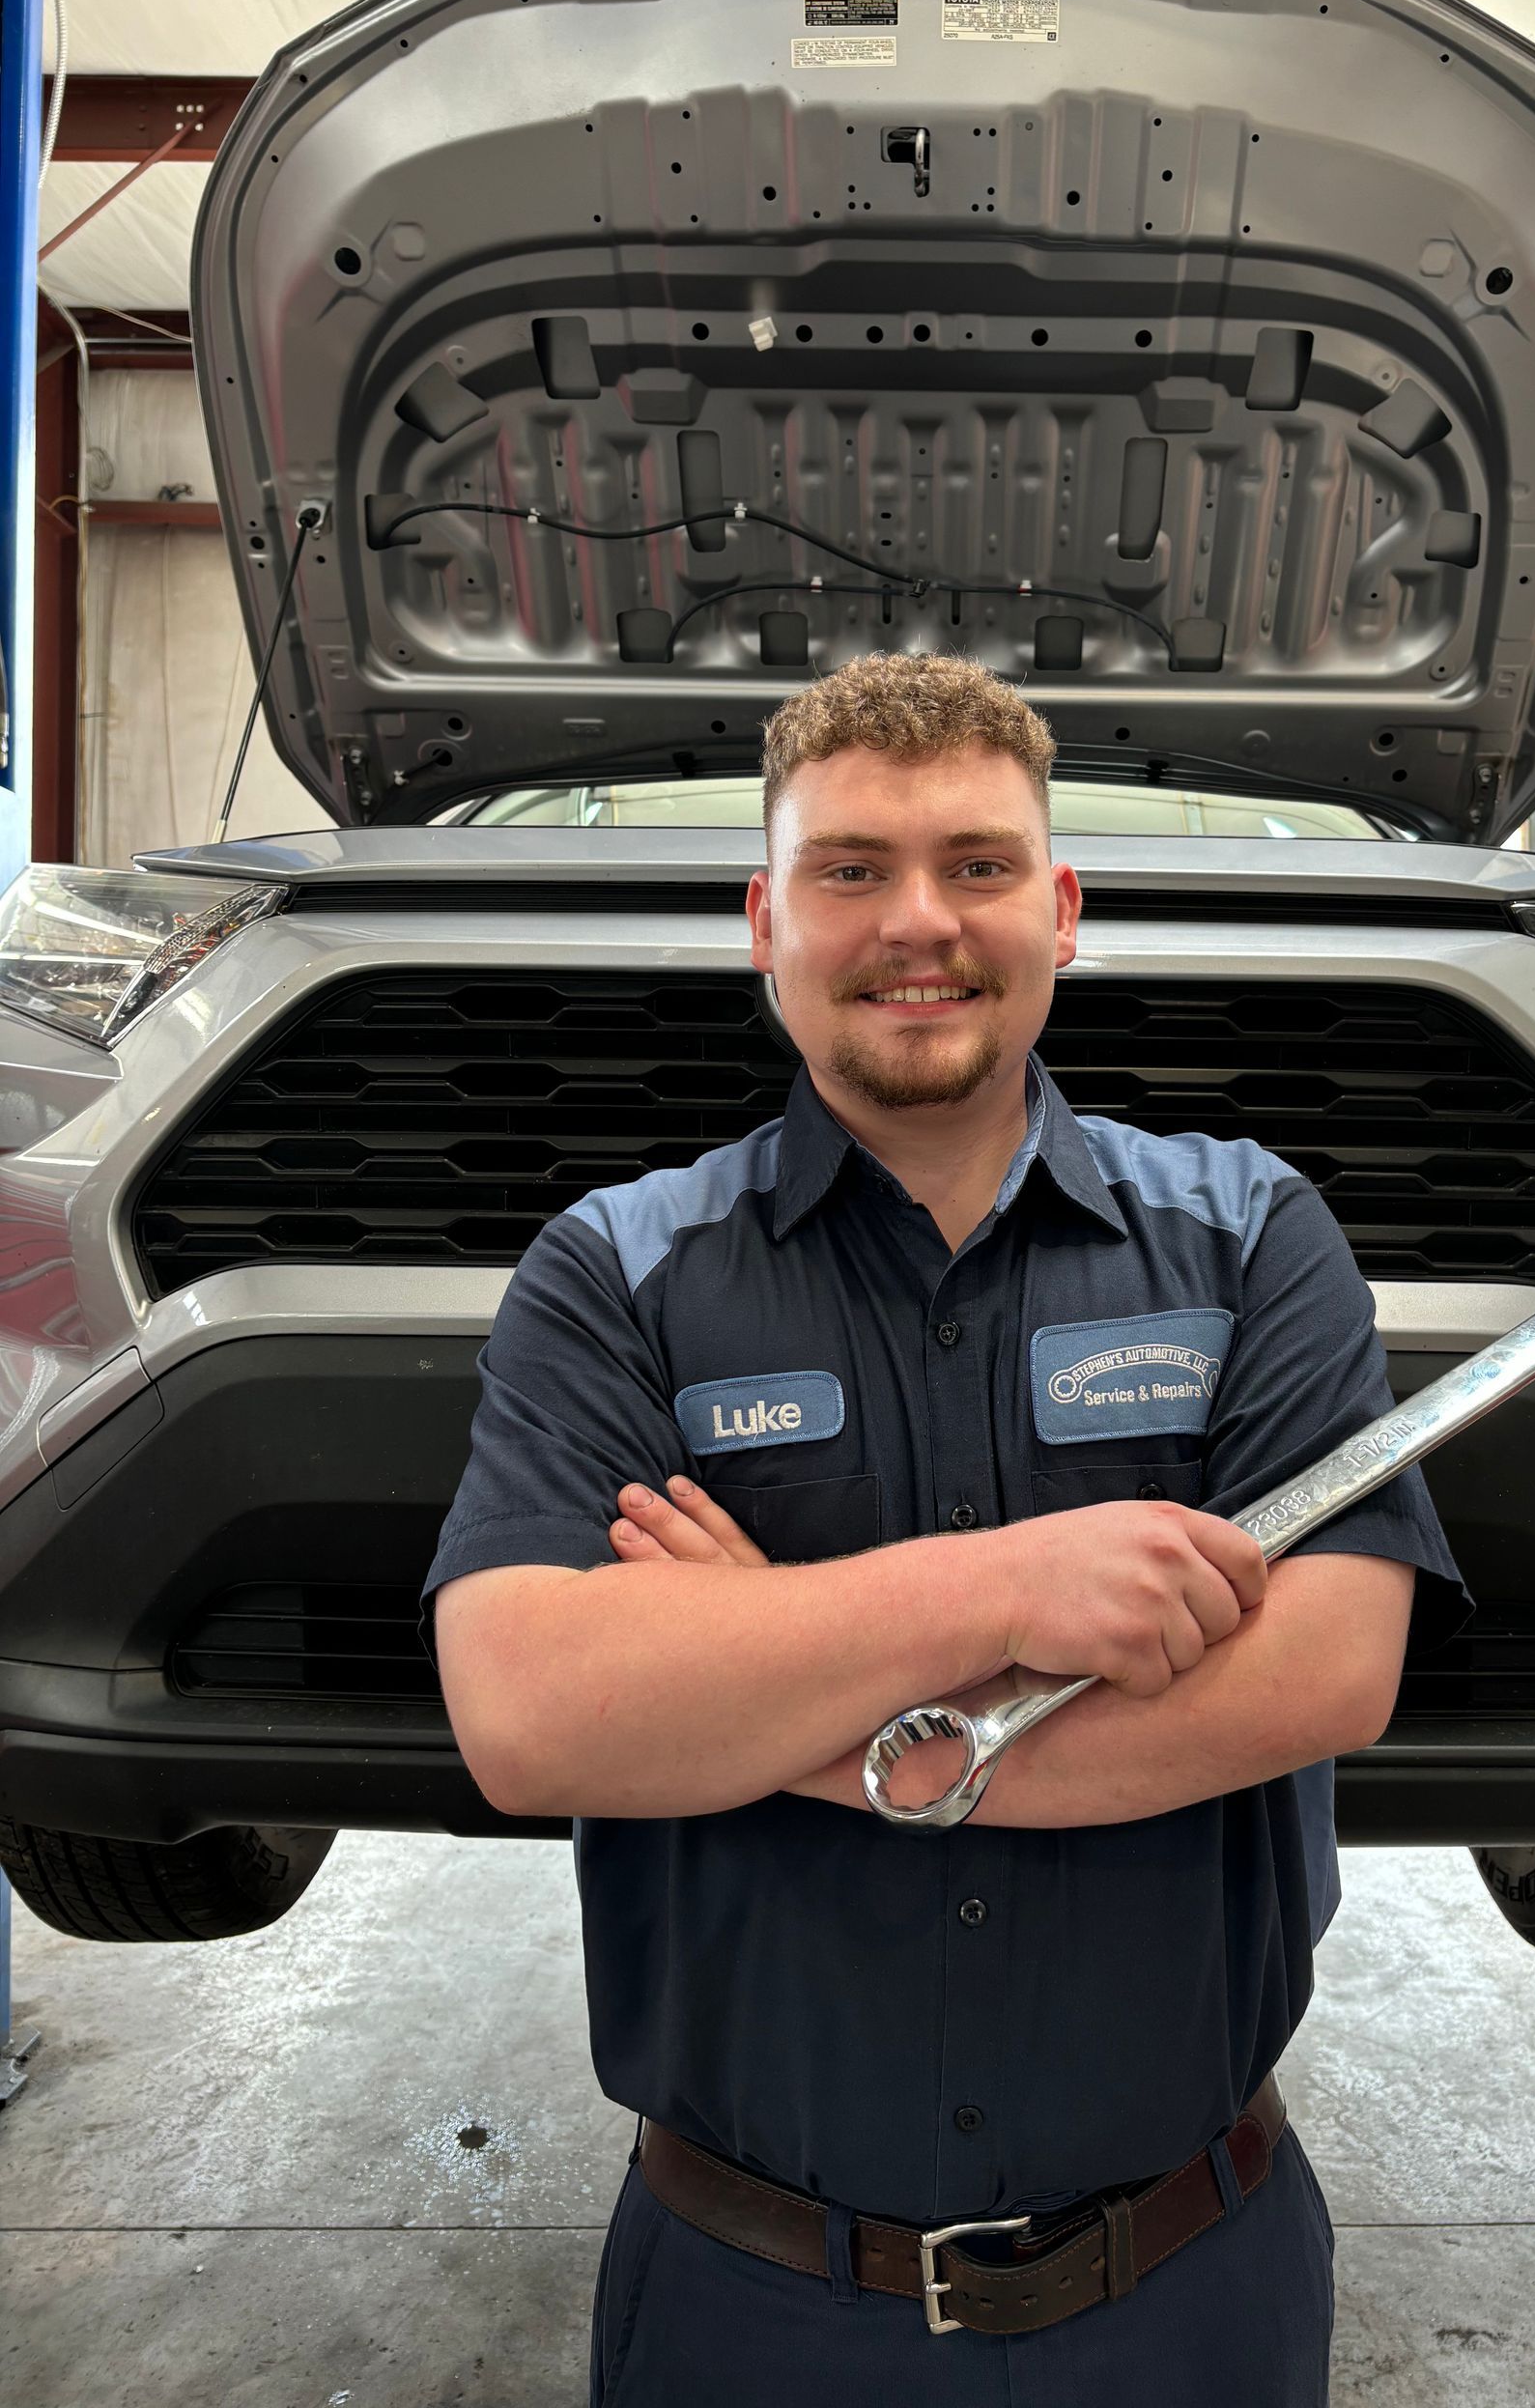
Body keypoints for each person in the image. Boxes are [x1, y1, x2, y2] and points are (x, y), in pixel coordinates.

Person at [420, 651, 1469, 2404]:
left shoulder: (1251, 1238)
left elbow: (1328, 1670)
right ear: (767, 920)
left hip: (1192, 2292)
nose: (920, 921)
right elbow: (534, 1713)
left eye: (977, 866)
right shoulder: (615, 1275)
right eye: (850, 871)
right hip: (747, 2308)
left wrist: (766, 1683)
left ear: (1060, 910)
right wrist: (1014, 1585)